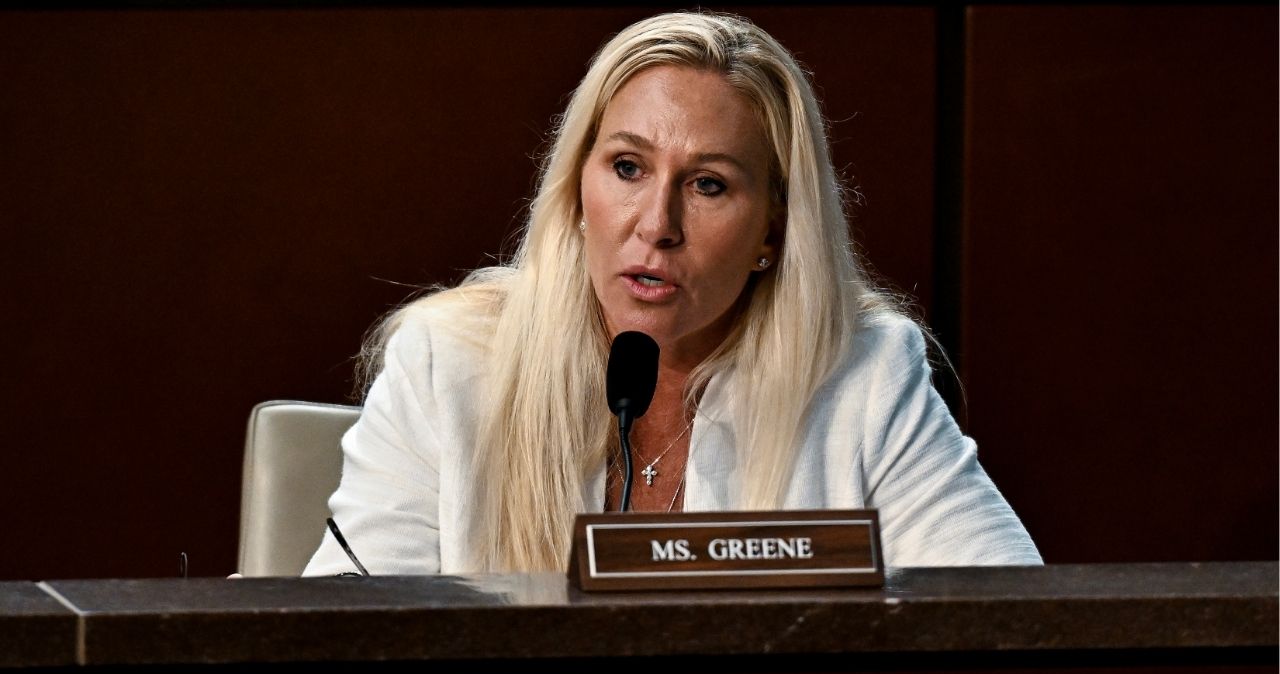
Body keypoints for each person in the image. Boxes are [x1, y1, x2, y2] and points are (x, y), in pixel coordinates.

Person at [304, 11, 1041, 576]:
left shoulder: (863, 376)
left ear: (774, 231)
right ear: (575, 189)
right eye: (627, 168)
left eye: (709, 185)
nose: (656, 225)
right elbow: (348, 642)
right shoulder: (448, 365)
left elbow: (1003, 619)